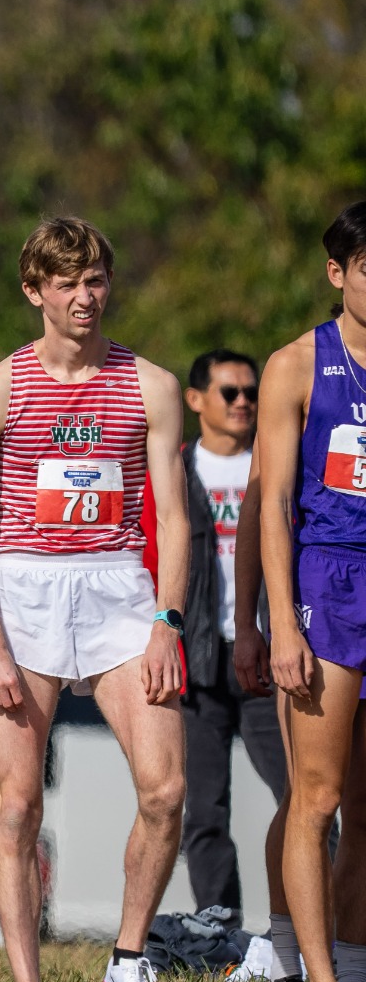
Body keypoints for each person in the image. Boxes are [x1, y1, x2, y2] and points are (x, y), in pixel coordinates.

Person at [0, 216, 189, 982]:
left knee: (166, 790)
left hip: (120, 589)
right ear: (34, 292)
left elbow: (176, 517)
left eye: (95, 282)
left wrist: (167, 620)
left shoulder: (150, 384)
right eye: (66, 284)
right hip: (25, 591)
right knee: (17, 804)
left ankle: (127, 961)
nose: (85, 298)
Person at [255, 201, 366, 982]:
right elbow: (272, 504)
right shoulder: (297, 364)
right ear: (339, 273)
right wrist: (282, 620)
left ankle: (353, 974)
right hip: (326, 586)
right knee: (315, 798)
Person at [142, 350, 285, 919]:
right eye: (230, 392)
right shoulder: (173, 467)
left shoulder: (275, 466)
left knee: (305, 800)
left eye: (251, 392)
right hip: (196, 661)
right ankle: (221, 938)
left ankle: (308, 931)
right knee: (203, 811)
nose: (245, 402)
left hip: (268, 658)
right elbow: (154, 557)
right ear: (196, 400)